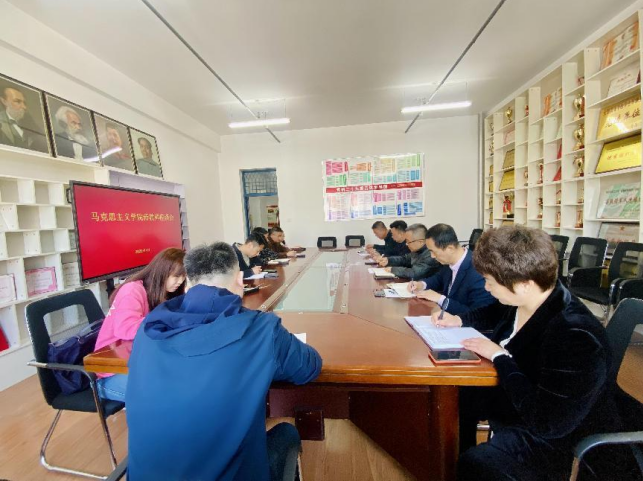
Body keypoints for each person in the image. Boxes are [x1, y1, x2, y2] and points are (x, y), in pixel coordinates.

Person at [431, 226, 621, 480]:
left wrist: (500, 357)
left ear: (523, 284)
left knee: (477, 462)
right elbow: (494, 311)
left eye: (490, 282)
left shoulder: (575, 335)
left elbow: (548, 423)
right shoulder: (529, 298)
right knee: (453, 398)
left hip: (553, 434)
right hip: (519, 395)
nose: (486, 288)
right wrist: (459, 319)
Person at [126, 242, 323, 481]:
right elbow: (309, 367)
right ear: (240, 279)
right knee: (287, 432)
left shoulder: (148, 329)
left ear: (188, 285)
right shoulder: (263, 330)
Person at [94, 248, 186, 402]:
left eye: (184, 277)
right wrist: (165, 319)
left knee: (182, 380)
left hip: (139, 361)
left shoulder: (161, 292)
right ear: (162, 272)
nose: (180, 281)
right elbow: (125, 329)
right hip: (111, 374)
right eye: (176, 276)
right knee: (169, 394)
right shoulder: (133, 290)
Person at [408, 223, 495, 315]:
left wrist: (441, 299)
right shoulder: (448, 261)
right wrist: (421, 284)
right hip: (445, 317)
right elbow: (438, 279)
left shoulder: (478, 271)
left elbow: (478, 315)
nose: (432, 256)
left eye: (433, 251)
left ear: (450, 248)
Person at [0, 86, 48, 152]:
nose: (24, 107)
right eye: (17, 101)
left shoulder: (30, 123)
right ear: (4, 101)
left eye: (24, 103)